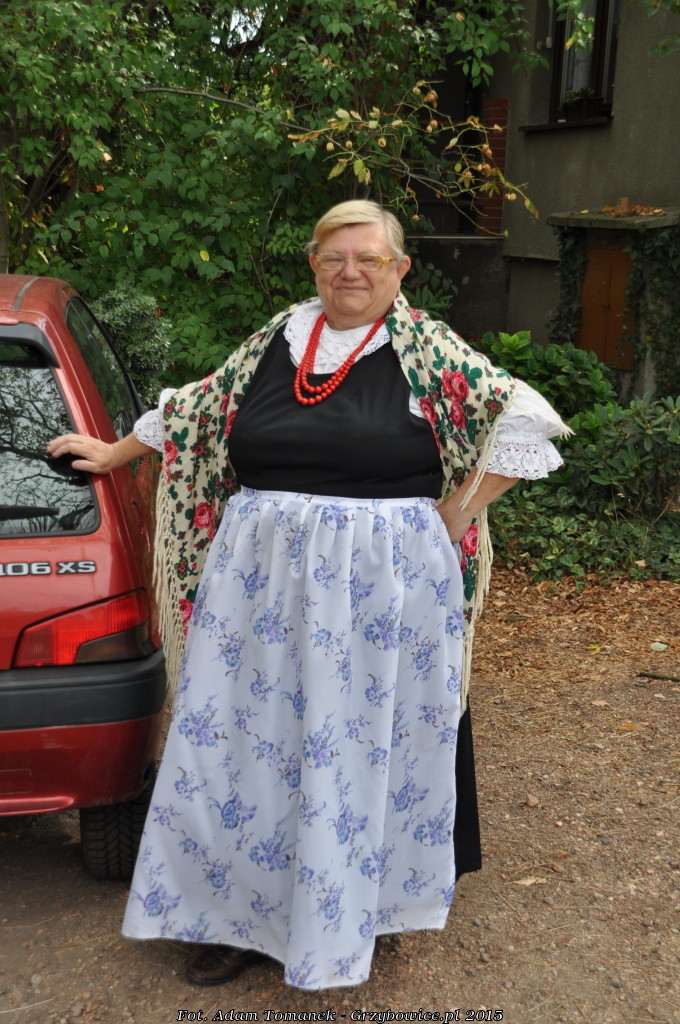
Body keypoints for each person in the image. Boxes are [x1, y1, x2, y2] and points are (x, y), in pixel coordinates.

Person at [48, 200, 569, 991]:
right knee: (246, 747)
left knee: (354, 746)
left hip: (379, 595)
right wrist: (113, 452)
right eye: (334, 257)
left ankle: (353, 911)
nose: (350, 272)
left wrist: (462, 508)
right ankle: (237, 919)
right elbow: (197, 411)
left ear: (400, 268)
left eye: (369, 258)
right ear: (314, 264)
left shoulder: (427, 350)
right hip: (258, 587)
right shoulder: (278, 339)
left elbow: (526, 418)